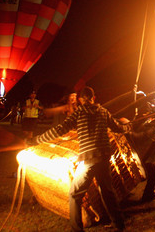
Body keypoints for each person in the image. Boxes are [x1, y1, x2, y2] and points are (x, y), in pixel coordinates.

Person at [31, 86, 132, 231]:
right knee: (107, 192)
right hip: (103, 158)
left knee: (74, 194)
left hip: (88, 160)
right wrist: (128, 126)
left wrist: (38, 140)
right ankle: (119, 225)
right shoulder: (103, 112)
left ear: (80, 99)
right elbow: (118, 127)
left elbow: (60, 129)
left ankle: (76, 229)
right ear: (94, 97)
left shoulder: (79, 112)